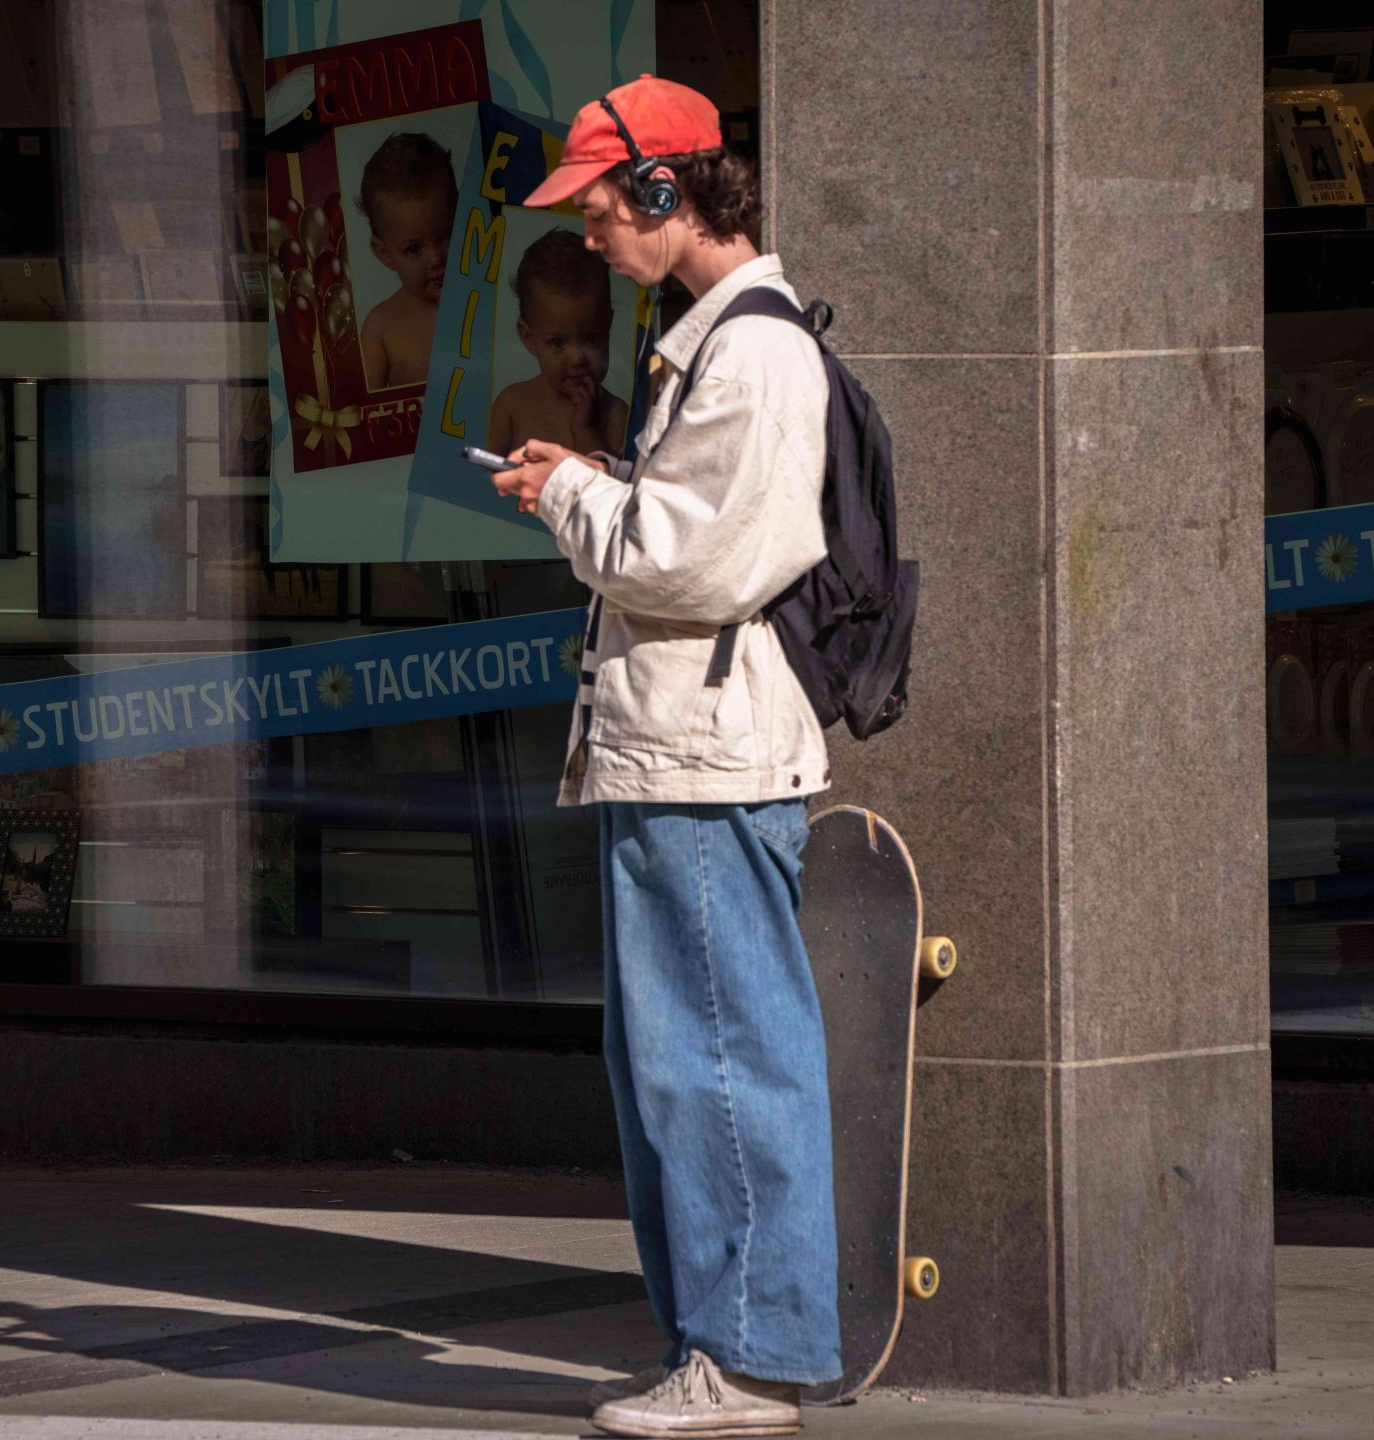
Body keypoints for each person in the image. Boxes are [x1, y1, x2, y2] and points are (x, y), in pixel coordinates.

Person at [492, 75, 838, 1439]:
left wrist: (575, 492)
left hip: (707, 758)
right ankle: (720, 1348)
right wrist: (584, 482)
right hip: (673, 751)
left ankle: (748, 1365)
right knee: (681, 1067)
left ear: (663, 189)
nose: (586, 235)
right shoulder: (711, 341)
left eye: (596, 205)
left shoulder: (753, 353)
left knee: (722, 1064)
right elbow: (686, 533)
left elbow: (694, 562)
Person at [485, 227, 630, 458]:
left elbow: (606, 488)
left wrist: (585, 430)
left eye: (592, 338)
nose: (577, 359)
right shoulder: (510, 406)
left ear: (608, 325)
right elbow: (475, 484)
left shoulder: (616, 415)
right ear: (528, 338)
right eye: (557, 342)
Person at [353, 131, 456, 390]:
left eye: (447, 235)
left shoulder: (483, 303)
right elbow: (364, 413)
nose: (436, 258)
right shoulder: (381, 328)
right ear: (385, 254)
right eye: (413, 248)